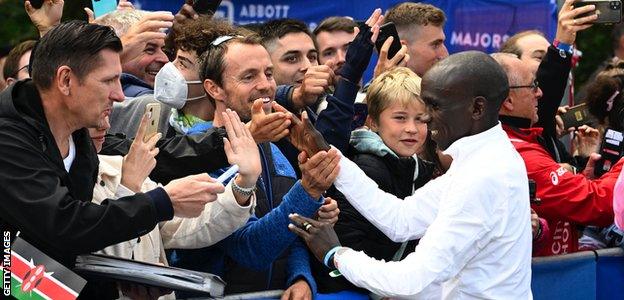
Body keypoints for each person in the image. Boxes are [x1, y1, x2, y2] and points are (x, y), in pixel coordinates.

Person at [0, 21, 225, 297]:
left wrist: (117, 284)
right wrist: (164, 202)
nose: (119, 95)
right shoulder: (8, 140)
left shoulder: (79, 132)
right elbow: (64, 224)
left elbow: (71, 250)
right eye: (108, 80)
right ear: (66, 80)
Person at [289, 51, 532, 298]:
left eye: (435, 106)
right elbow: (401, 219)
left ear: (477, 108)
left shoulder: (484, 176)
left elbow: (411, 280)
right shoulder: (483, 160)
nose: (425, 118)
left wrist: (336, 255)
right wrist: (328, 154)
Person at [168, 30, 338, 299]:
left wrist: (300, 276)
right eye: (249, 77)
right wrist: (307, 192)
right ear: (214, 88)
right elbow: (250, 249)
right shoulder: (193, 155)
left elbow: (292, 228)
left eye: (268, 74)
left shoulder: (273, 147)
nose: (265, 85)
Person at [92, 111, 257, 299]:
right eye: (93, 113)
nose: (105, 125)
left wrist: (244, 183)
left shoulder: (118, 166)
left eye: (108, 113)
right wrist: (129, 187)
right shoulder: (60, 188)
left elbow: (186, 226)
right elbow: (103, 261)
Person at [314, 67, 436, 296]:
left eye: (421, 119)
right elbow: (347, 241)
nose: (411, 129)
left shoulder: (417, 167)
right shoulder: (367, 168)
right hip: (349, 291)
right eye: (400, 118)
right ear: (373, 122)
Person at [493, 52, 624, 256]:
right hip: (548, 280)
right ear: (508, 101)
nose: (540, 94)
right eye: (533, 85)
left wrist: (580, 176)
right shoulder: (519, 153)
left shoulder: (520, 142)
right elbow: (598, 203)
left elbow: (566, 203)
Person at [383, 2, 448, 77]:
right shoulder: (375, 89)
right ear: (402, 49)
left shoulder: (454, 87)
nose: (445, 54)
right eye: (435, 45)